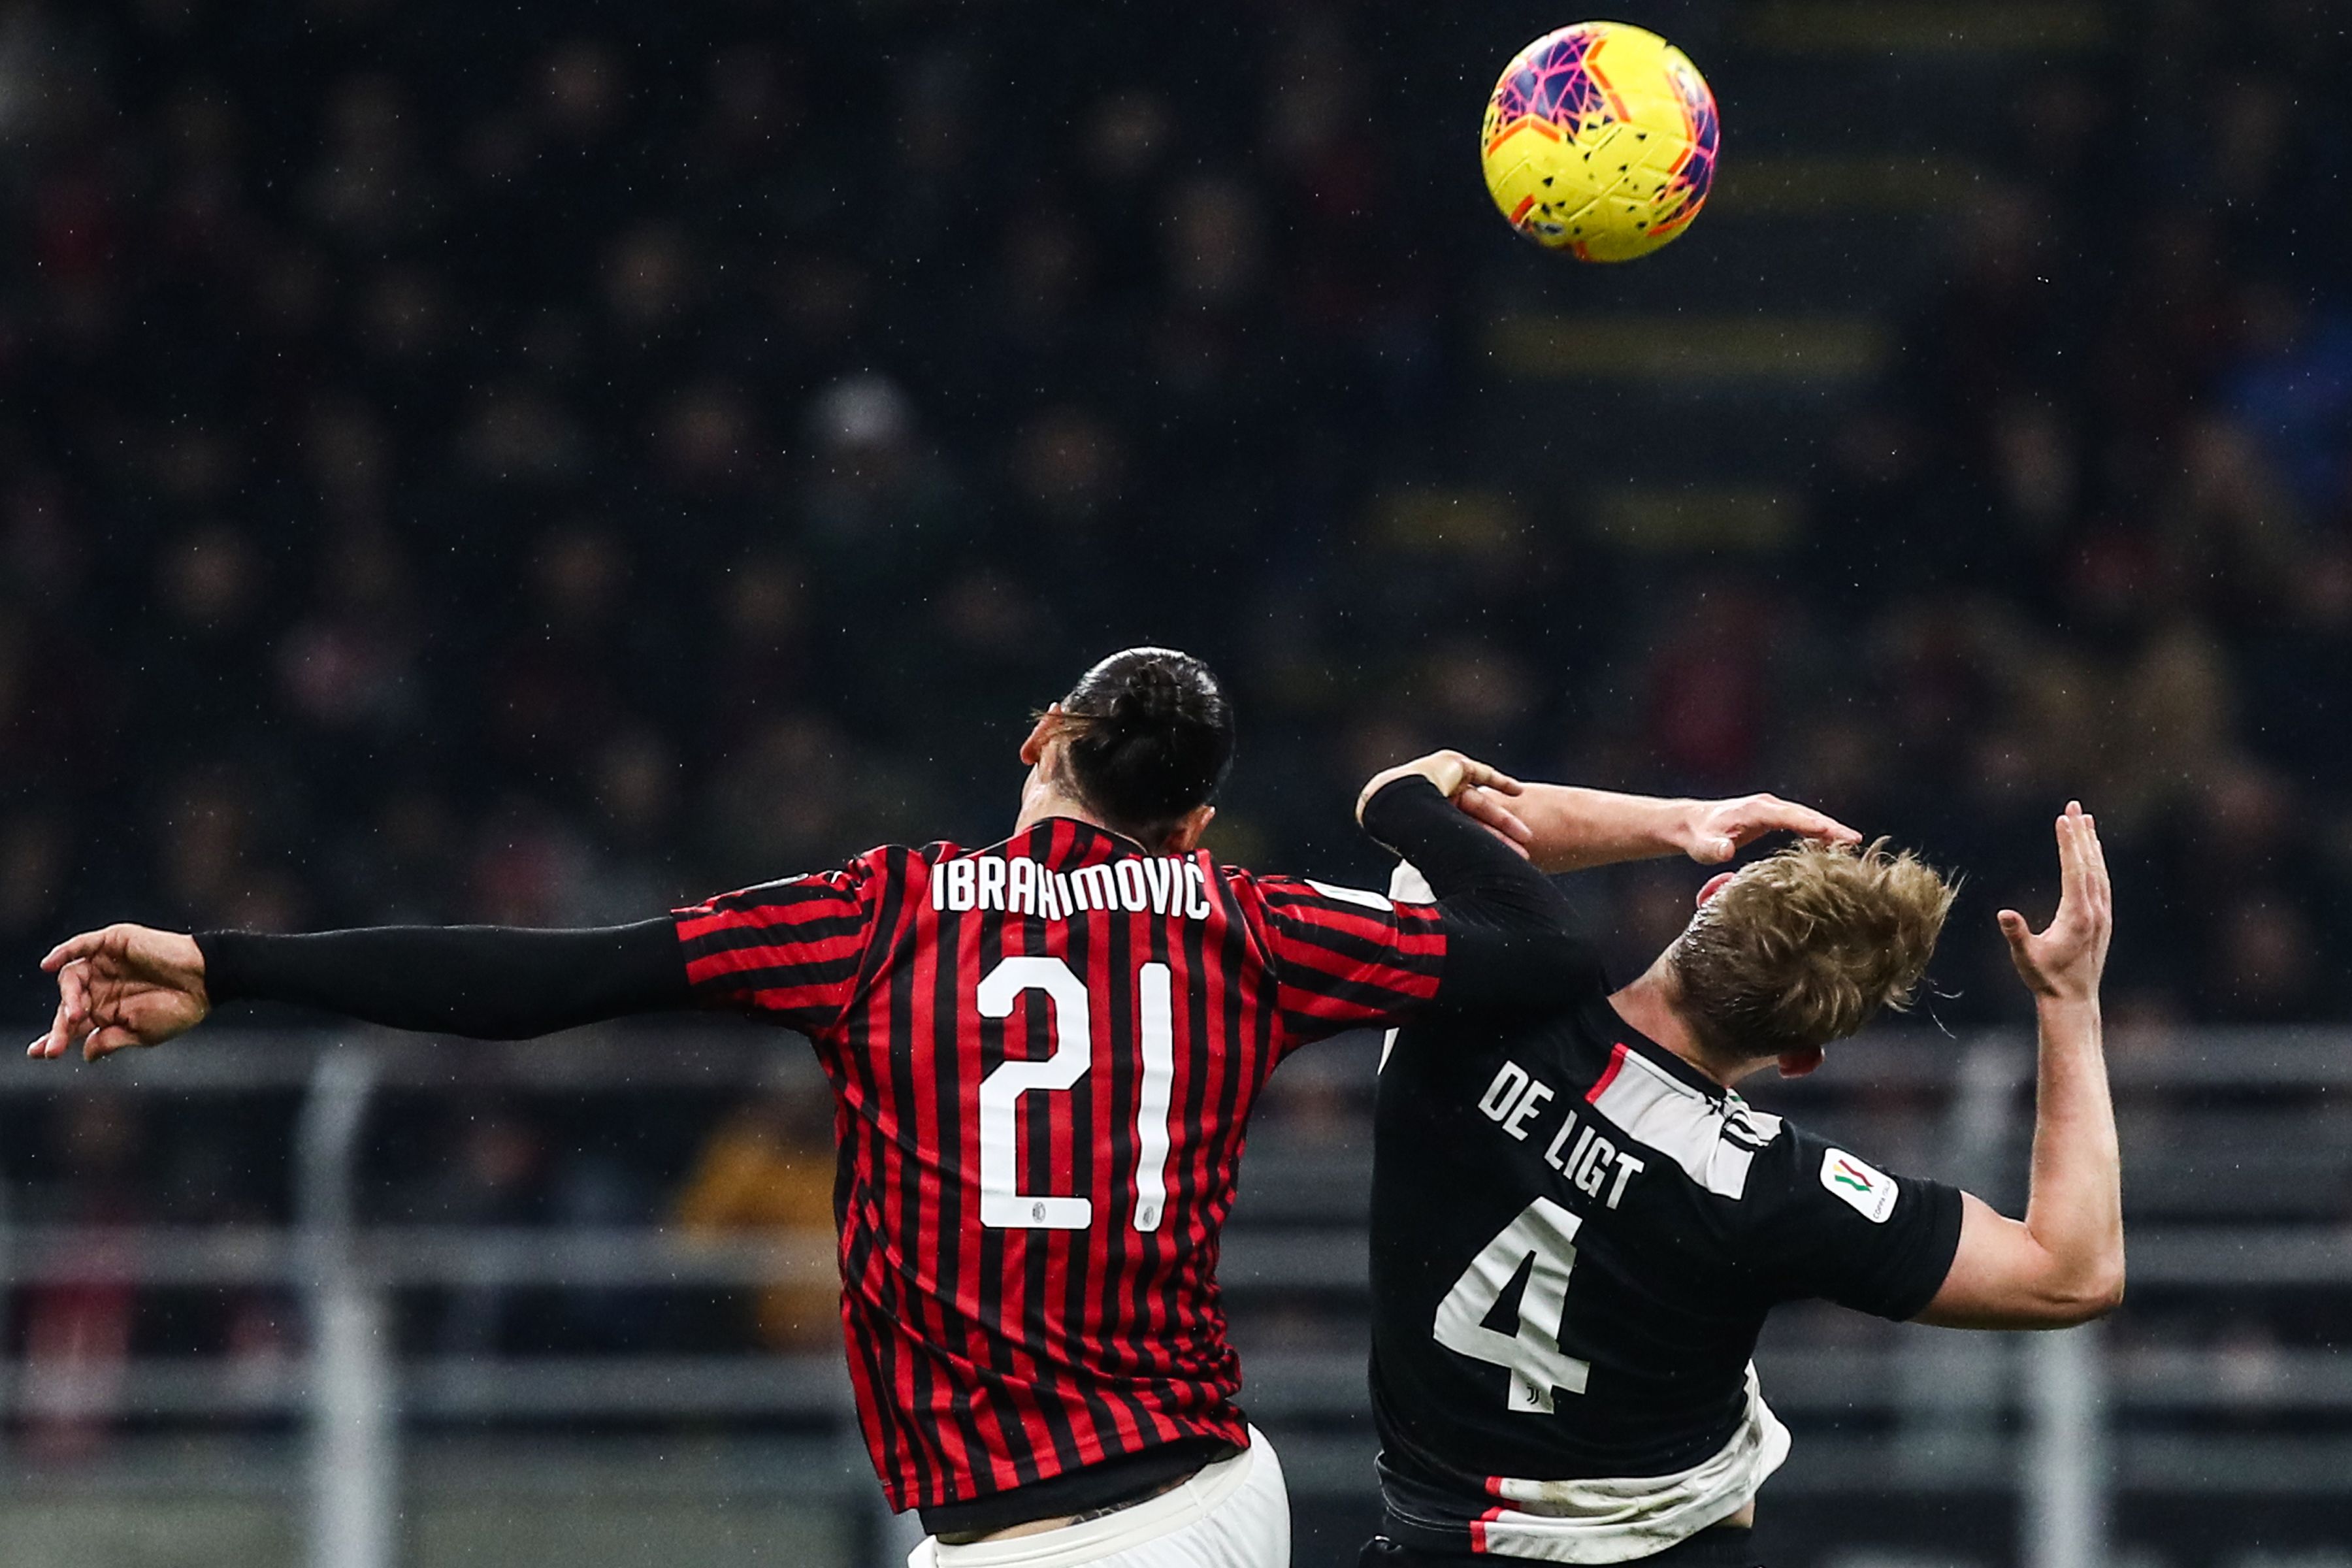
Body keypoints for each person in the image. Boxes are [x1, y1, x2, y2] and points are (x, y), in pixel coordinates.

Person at [25, 645, 1854, 1568]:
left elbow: (549, 978)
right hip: (1222, 1498)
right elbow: (1532, 957)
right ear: (1197, 820)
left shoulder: (878, 916)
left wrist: (232, 961)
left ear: (1037, 738)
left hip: (1043, 1531)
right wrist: (1449, 809)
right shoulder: (1247, 930)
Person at [1353, 781, 2120, 1567]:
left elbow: (1425, 794)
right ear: (1798, 1059)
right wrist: (2068, 1000)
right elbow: (2071, 1274)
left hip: (1430, 1541)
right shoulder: (1773, 1188)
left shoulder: (1490, 988)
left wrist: (1688, 822)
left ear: (1708, 894)